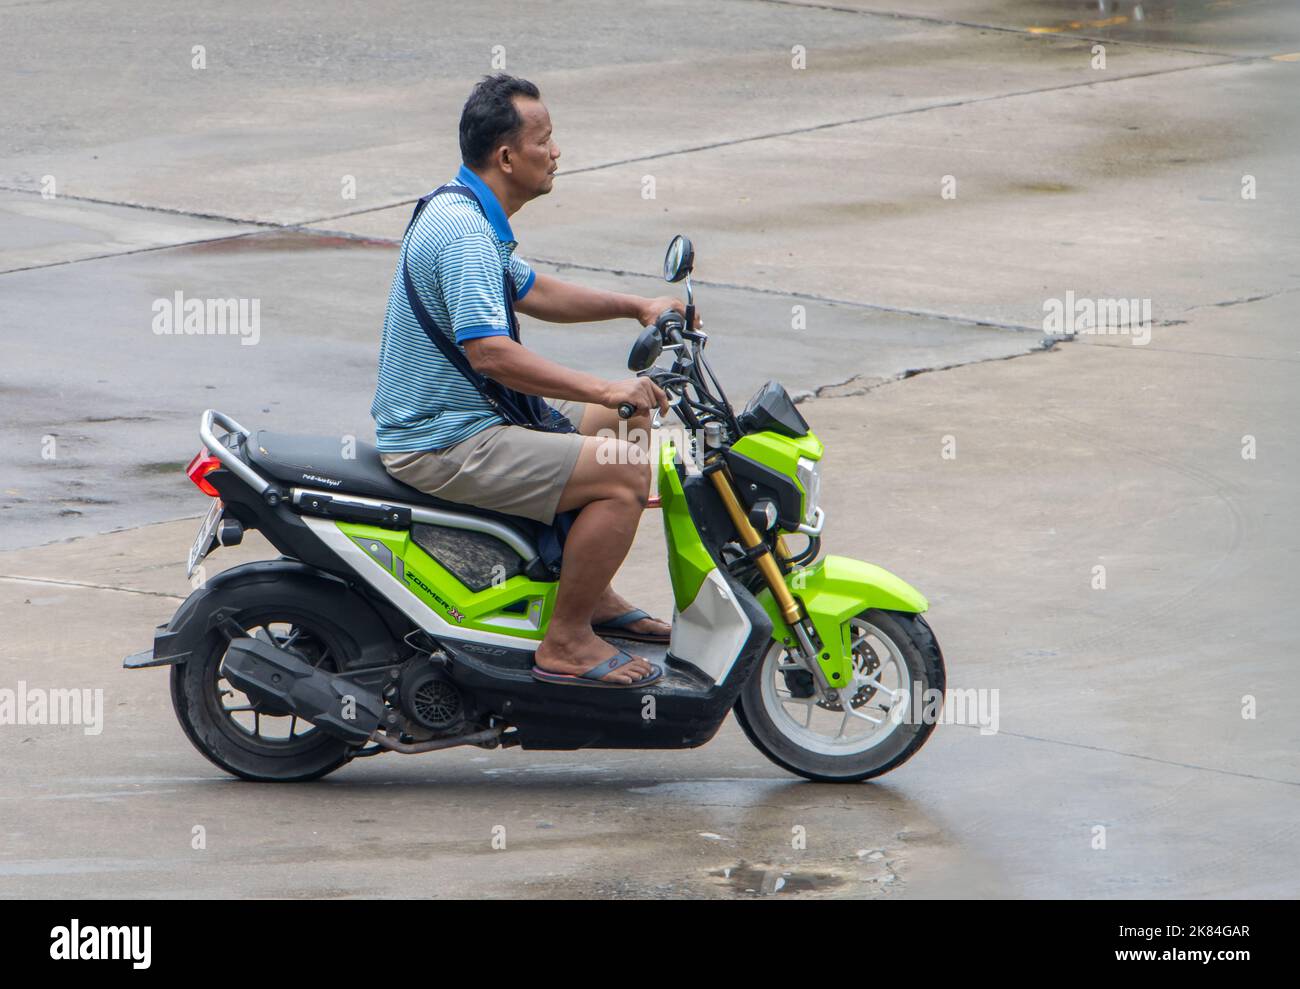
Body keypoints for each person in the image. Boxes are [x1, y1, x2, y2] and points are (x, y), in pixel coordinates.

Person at [371, 74, 690, 688]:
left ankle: (591, 598)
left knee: (625, 423)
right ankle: (566, 641)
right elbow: (490, 353)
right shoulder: (464, 232)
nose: (557, 152)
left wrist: (638, 305)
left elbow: (534, 290)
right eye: (545, 139)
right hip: (445, 440)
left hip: (476, 422)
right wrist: (602, 387)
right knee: (623, 469)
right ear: (507, 156)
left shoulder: (464, 210)